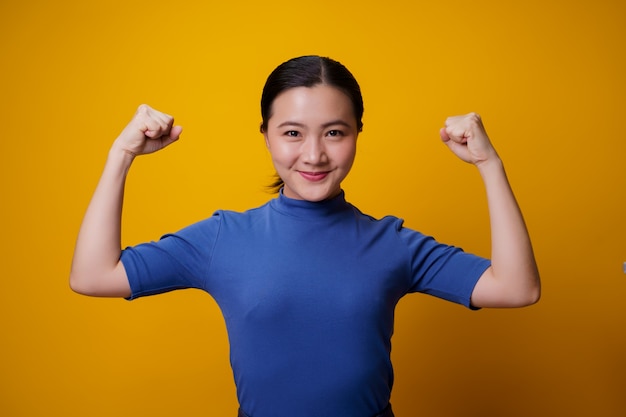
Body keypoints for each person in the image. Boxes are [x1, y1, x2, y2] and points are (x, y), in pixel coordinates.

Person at [70, 55, 540, 417]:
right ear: (267, 137)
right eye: (293, 132)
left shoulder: (392, 242)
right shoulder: (223, 238)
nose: (313, 154)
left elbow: (517, 288)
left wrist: (489, 165)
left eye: (334, 132)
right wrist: (122, 154)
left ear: (357, 133)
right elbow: (93, 275)